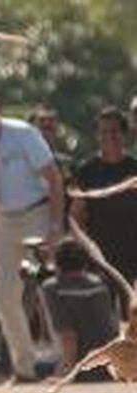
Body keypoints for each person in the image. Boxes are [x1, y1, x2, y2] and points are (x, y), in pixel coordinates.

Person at [0, 82, 65, 382]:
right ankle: (25, 366)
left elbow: (54, 177)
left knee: (48, 291)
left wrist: (56, 225)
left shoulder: (22, 133)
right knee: (4, 297)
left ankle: (64, 361)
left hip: (37, 212)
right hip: (5, 220)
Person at [71, 107, 137, 285]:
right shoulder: (86, 170)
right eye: (103, 132)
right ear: (97, 135)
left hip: (132, 249)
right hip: (100, 253)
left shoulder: (134, 167)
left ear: (124, 134)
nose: (109, 136)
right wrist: (85, 247)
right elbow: (76, 214)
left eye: (114, 131)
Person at [42, 238, 117, 381]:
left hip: (84, 367)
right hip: (110, 365)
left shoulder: (53, 288)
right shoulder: (99, 284)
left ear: (57, 264)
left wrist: (67, 374)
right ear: (85, 263)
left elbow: (68, 335)